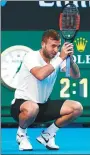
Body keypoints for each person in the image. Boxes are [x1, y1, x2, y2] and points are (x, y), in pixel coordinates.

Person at [11, 29, 83, 151]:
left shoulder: (57, 58)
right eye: (53, 46)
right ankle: (21, 134)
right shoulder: (31, 56)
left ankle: (47, 135)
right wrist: (60, 58)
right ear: (43, 44)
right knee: (32, 107)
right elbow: (40, 75)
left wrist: (70, 59)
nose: (55, 50)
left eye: (58, 46)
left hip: (43, 106)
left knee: (77, 108)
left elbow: (75, 75)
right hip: (22, 106)